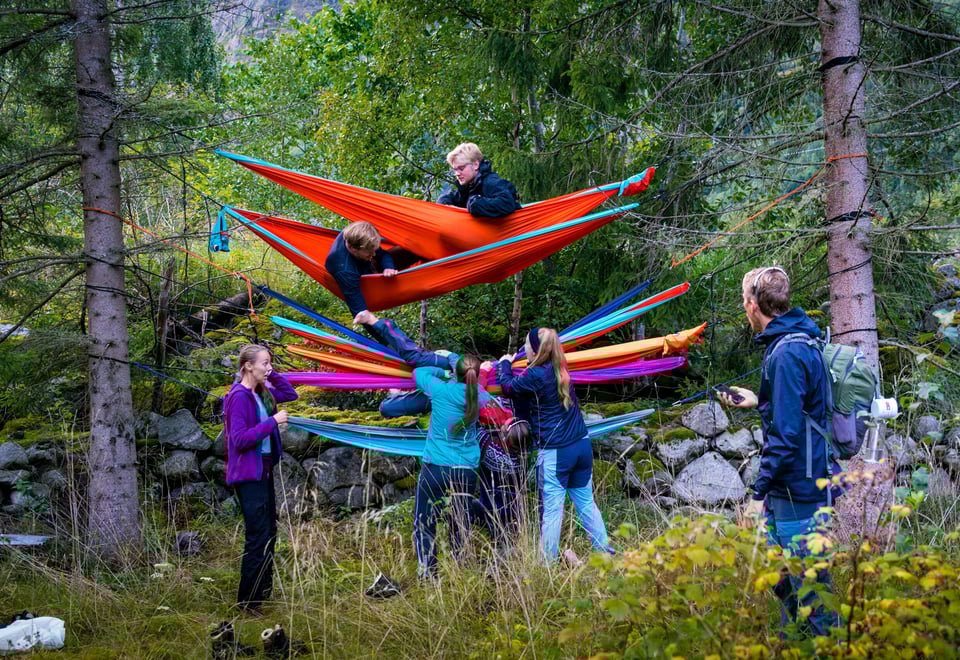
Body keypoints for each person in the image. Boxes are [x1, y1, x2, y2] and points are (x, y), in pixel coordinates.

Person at [719, 266, 842, 638]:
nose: (745, 308)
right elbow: (800, 409)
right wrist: (760, 400)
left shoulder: (787, 353)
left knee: (810, 589)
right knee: (781, 573)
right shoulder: (797, 340)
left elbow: (786, 436)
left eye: (744, 302)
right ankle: (797, 641)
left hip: (797, 488)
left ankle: (826, 643)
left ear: (752, 305)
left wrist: (757, 496)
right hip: (797, 482)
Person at [496, 327, 614, 563]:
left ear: (535, 350)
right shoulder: (561, 367)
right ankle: (604, 552)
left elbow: (507, 386)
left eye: (525, 346)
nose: (523, 350)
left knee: (552, 511)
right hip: (581, 445)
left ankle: (547, 565)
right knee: (586, 503)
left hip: (557, 452)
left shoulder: (536, 375)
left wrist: (505, 364)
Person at [223, 344, 299, 614]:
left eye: (270, 363)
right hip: (248, 474)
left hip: (263, 469)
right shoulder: (239, 397)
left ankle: (262, 593)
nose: (269, 368)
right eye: (264, 363)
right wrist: (273, 422)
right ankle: (248, 602)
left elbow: (291, 393)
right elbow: (240, 439)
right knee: (257, 536)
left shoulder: (261, 393)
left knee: (269, 532)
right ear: (247, 366)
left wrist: (271, 373)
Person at [324, 221, 398, 318]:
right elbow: (360, 313)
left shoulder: (357, 237)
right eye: (369, 252)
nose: (374, 254)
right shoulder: (345, 271)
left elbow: (382, 254)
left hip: (373, 269)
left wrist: (388, 267)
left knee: (412, 247)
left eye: (374, 250)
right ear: (353, 248)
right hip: (368, 288)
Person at [438, 143, 521, 218]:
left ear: (475, 165)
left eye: (461, 168)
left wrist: (475, 204)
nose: (457, 173)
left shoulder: (491, 182)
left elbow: (507, 203)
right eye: (455, 170)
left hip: (510, 231)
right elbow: (448, 198)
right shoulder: (469, 186)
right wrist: (446, 205)